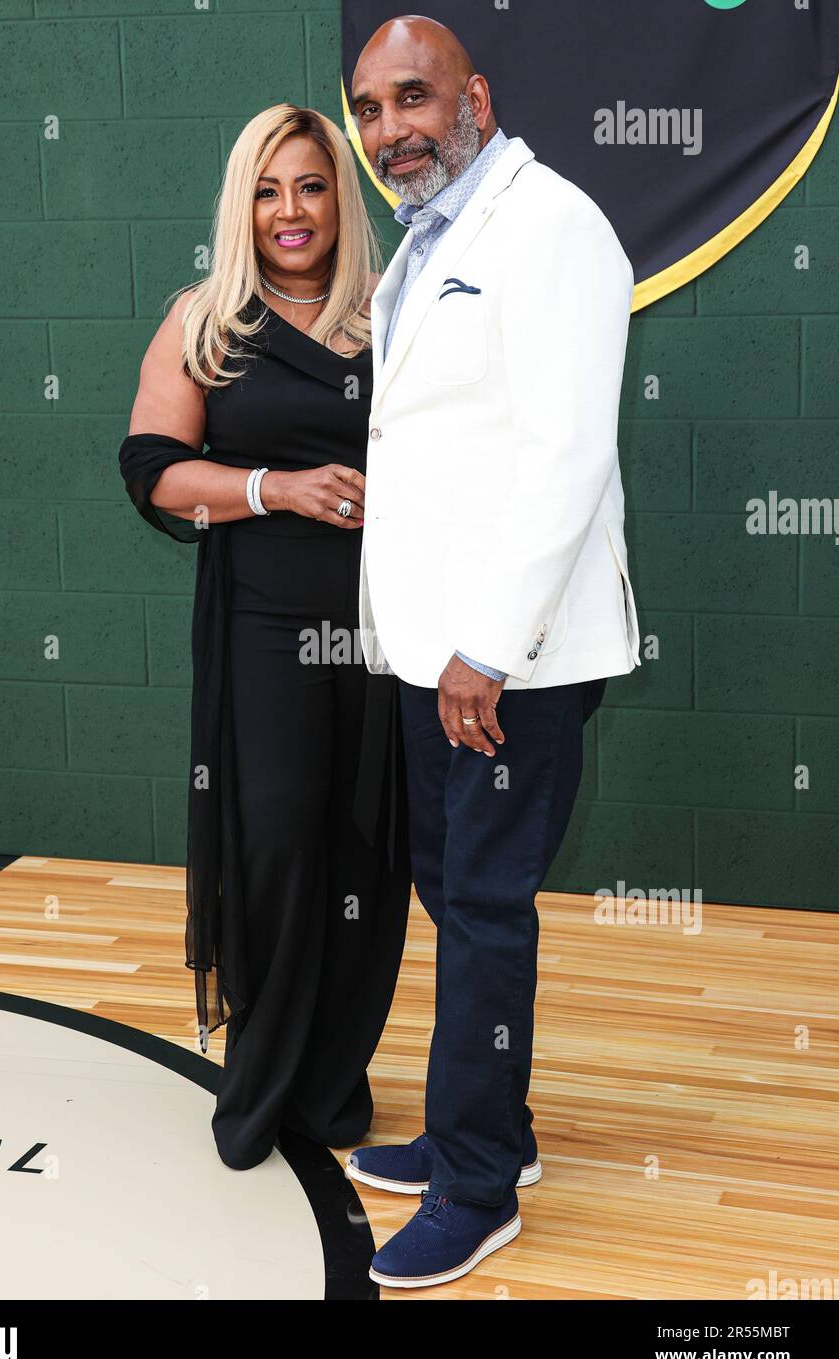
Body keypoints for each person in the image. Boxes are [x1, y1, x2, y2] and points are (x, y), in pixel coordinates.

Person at [344, 16, 641, 1288]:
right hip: (431, 653)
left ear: (473, 95)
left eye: (411, 97)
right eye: (367, 108)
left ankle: (475, 1185)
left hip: (503, 660)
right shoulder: (429, 236)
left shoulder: (551, 225)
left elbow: (564, 455)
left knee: (478, 912)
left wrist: (489, 648)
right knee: (447, 888)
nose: (389, 128)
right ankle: (496, 1129)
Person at [119, 103, 412, 1171]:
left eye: (311, 185)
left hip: (388, 634)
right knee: (277, 844)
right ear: (241, 203)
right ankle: (263, 1081)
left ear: (342, 197)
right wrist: (274, 487)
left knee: (368, 851)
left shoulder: (398, 310)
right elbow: (152, 467)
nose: (290, 211)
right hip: (263, 628)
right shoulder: (206, 320)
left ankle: (332, 1083)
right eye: (266, 188)